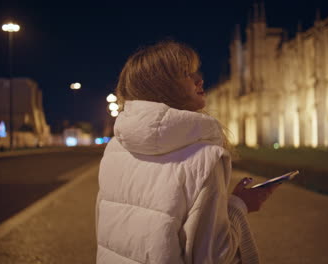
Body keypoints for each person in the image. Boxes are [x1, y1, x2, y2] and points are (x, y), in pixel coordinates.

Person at [95, 41, 279, 264]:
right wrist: (240, 205)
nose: (199, 80)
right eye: (186, 74)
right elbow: (213, 257)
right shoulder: (205, 157)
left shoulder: (115, 148)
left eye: (195, 72)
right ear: (162, 87)